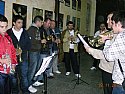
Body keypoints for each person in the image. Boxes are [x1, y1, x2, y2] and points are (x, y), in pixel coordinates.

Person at [84, 12, 116, 94]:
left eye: (109, 19)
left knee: (109, 90)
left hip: (111, 69)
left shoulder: (114, 35)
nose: (107, 21)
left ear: (115, 21)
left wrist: (90, 50)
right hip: (107, 68)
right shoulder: (110, 33)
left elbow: (106, 54)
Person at [101, 11, 125, 94]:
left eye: (113, 22)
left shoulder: (121, 36)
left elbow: (109, 56)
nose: (109, 23)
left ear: (118, 24)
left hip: (120, 82)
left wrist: (107, 40)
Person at [7, 15, 31, 94]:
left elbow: (29, 45)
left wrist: (22, 50)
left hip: (23, 58)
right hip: (12, 59)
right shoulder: (8, 33)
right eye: (19, 22)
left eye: (22, 23)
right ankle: (15, 92)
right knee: (13, 78)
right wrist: (14, 50)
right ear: (14, 23)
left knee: (24, 76)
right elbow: (5, 47)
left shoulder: (25, 32)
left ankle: (25, 91)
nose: (21, 24)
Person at [0, 14, 18, 94]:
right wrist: (1, 60)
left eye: (6, 27)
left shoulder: (8, 37)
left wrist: (14, 63)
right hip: (0, 71)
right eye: (1, 27)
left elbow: (13, 52)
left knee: (8, 90)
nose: (4, 29)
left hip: (8, 70)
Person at [27, 16, 43, 93]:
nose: (42, 24)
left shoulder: (36, 29)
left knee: (36, 68)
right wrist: (40, 41)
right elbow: (31, 42)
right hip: (33, 51)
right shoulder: (31, 29)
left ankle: (33, 82)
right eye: (41, 22)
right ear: (38, 21)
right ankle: (28, 85)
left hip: (37, 51)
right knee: (32, 69)